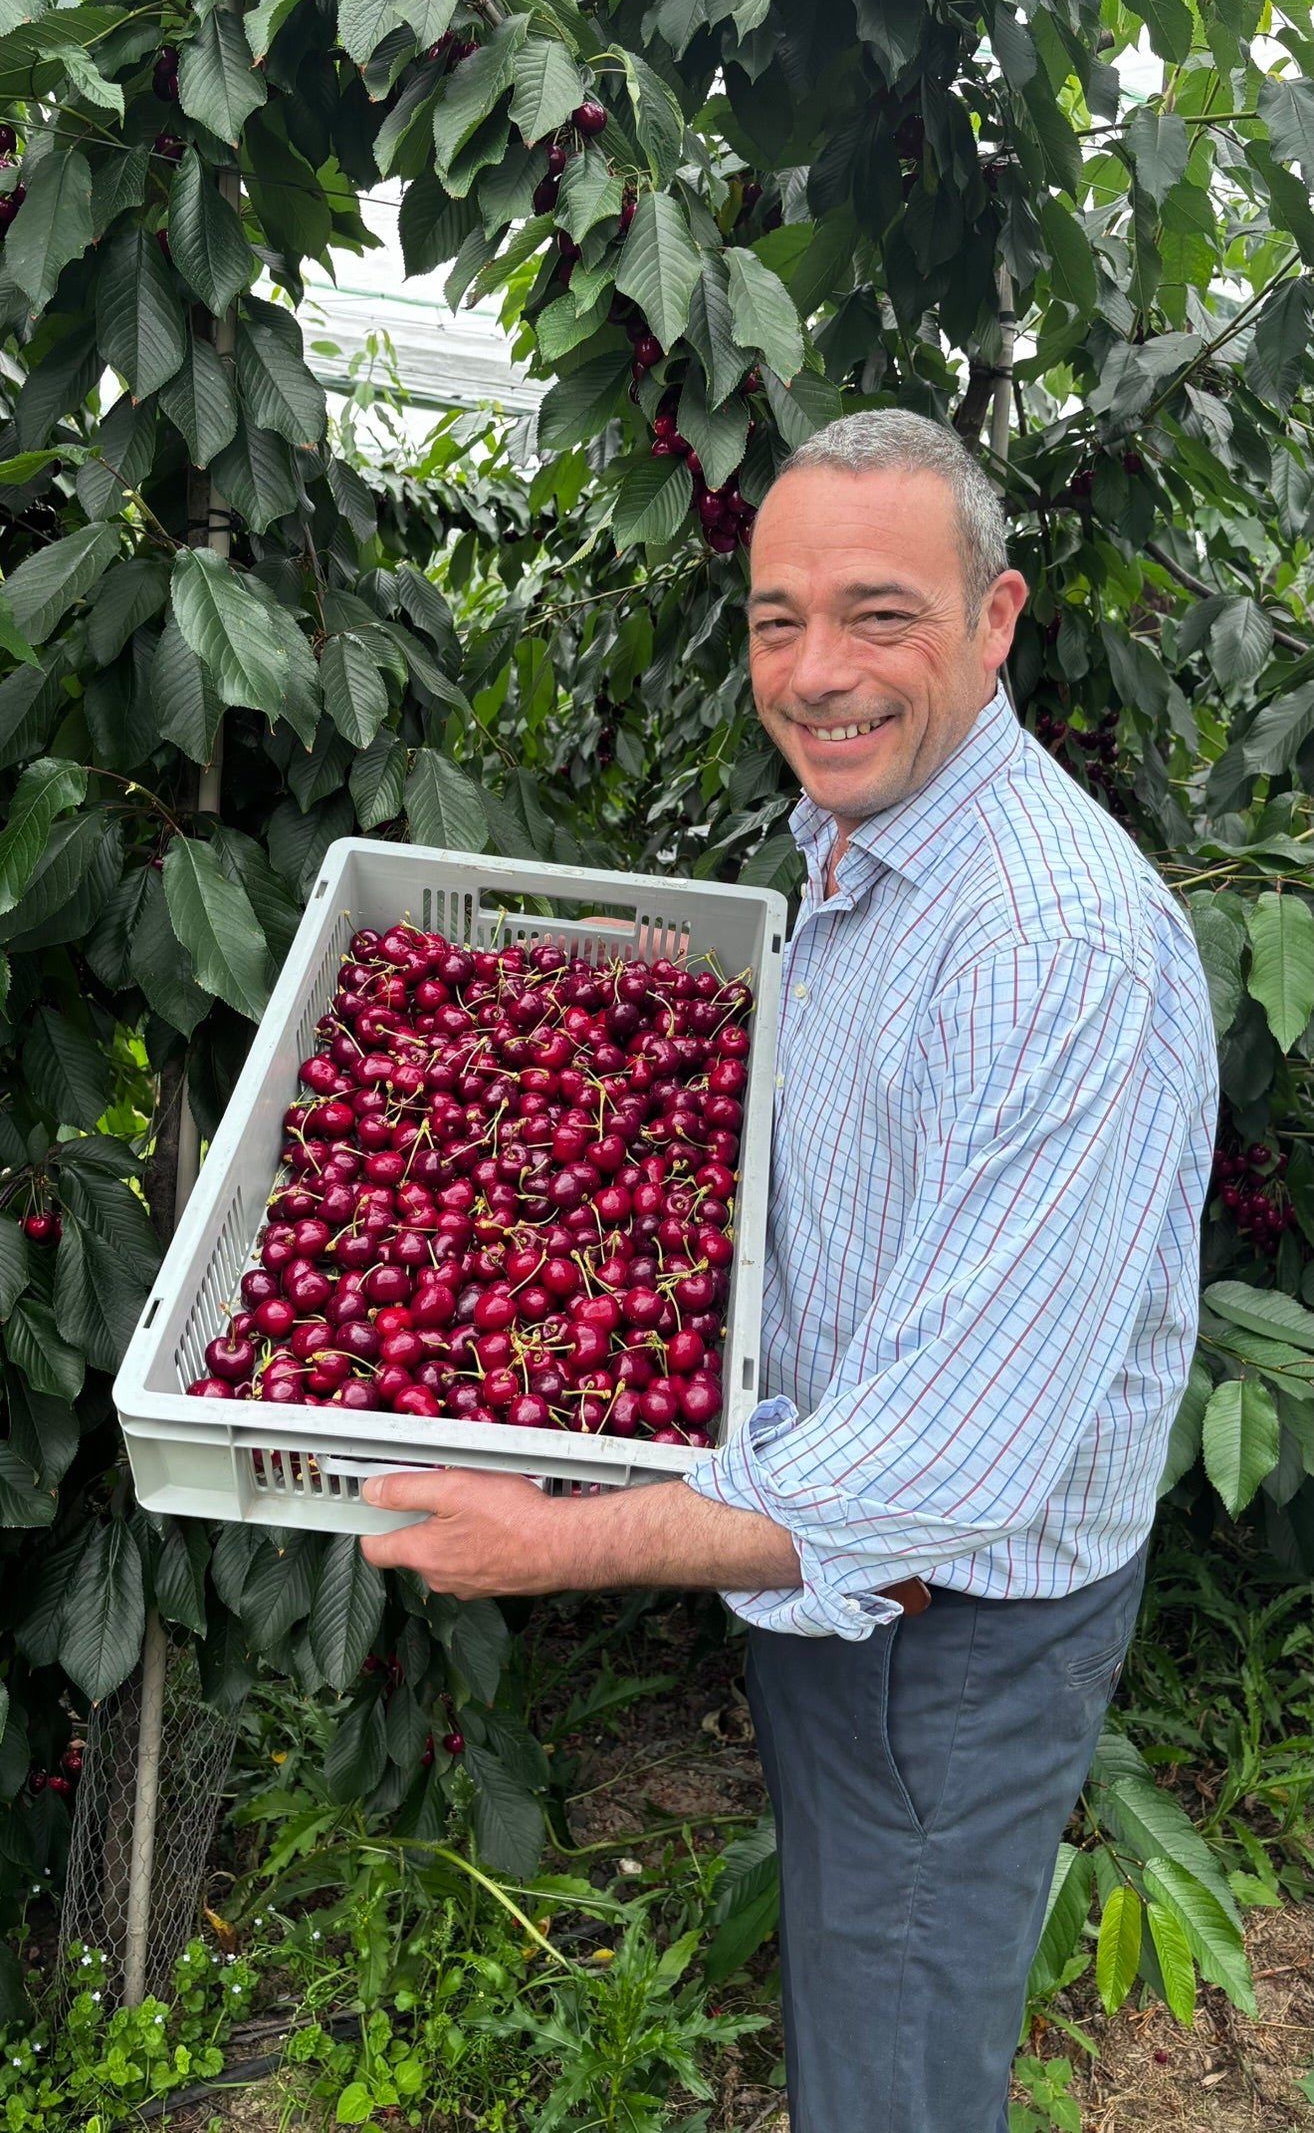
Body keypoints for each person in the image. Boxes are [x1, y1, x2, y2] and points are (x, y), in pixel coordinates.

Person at [359, 412, 1217, 2133]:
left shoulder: (1056, 953)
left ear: (994, 620)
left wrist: (559, 1542)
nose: (815, 672)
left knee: (894, 2036)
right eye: (776, 620)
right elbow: (876, 1105)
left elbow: (935, 1474)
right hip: (832, 1553)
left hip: (936, 1620)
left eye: (878, 615)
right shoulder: (887, 828)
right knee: (857, 1948)